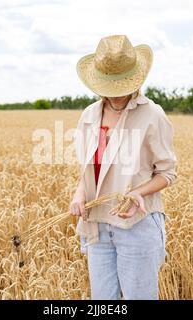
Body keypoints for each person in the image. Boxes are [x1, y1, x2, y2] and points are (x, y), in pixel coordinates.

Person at [70, 34, 178, 300]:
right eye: (109, 85)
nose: (115, 94)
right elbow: (89, 170)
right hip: (97, 226)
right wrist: (79, 194)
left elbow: (167, 172)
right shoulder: (89, 116)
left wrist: (138, 193)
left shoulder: (152, 115)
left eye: (120, 85)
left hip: (137, 226)